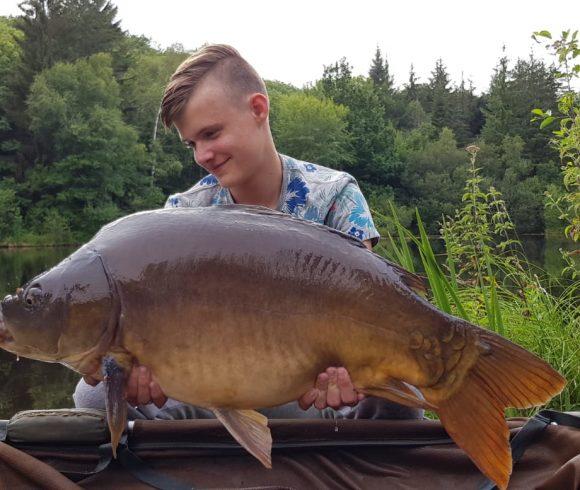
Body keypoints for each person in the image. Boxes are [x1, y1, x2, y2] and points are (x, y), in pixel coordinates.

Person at [74, 44, 422, 421]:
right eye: (193, 143)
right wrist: (144, 370)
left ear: (258, 109)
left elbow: (371, 305)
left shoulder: (335, 193)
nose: (202, 155)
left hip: (310, 394)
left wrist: (350, 375)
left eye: (211, 133)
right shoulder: (183, 214)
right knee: (94, 395)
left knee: (403, 395)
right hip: (214, 393)